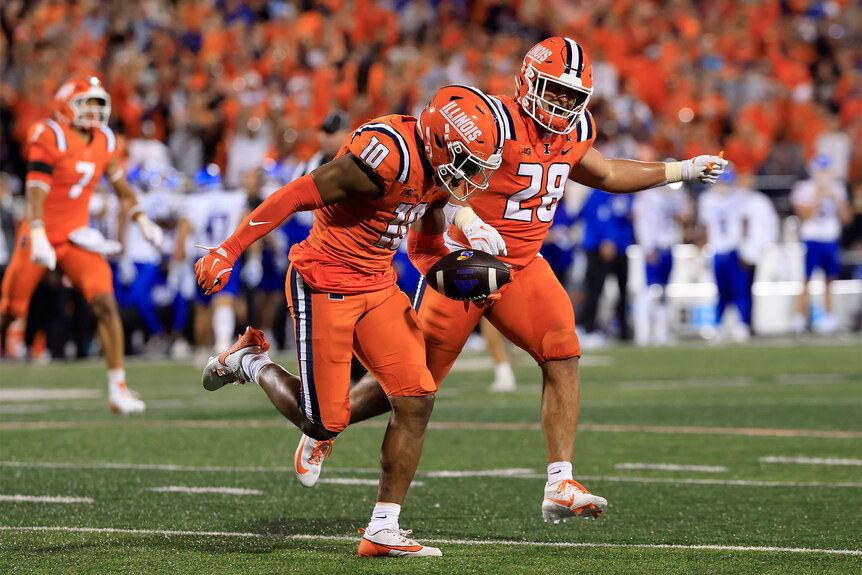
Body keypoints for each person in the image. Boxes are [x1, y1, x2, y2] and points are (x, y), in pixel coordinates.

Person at [298, 37, 727, 524]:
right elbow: (440, 186)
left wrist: (681, 169)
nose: (563, 104)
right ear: (528, 80)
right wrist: (470, 224)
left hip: (523, 264)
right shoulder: (491, 123)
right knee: (413, 387)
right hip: (467, 263)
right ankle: (323, 425)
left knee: (562, 350)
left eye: (572, 95)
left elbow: (604, 173)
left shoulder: (574, 129)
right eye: (555, 90)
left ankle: (560, 481)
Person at [194, 85, 508, 558]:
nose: (472, 175)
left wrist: (461, 269)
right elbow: (293, 196)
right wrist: (229, 249)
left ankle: (383, 528)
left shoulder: (439, 170)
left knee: (417, 396)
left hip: (377, 284)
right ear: (443, 143)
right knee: (324, 422)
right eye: (467, 162)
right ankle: (250, 361)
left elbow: (423, 251)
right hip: (325, 281)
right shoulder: (386, 157)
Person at [0, 76, 163, 414]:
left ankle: (118, 388)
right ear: (66, 106)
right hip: (40, 230)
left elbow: (121, 188)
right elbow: (36, 191)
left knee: (105, 302)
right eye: (86, 103)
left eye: (98, 104)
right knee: (11, 309)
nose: (93, 111)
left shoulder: (105, 140)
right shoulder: (49, 134)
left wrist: (142, 220)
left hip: (75, 236)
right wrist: (38, 230)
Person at [175, 164, 247, 360]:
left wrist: (177, 267)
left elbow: (182, 234)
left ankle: (201, 352)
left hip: (203, 257)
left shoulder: (192, 202)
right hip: (226, 254)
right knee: (224, 300)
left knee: (202, 307)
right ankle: (222, 344)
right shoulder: (234, 199)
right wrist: (254, 257)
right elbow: (247, 224)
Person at [790, 156, 852, 335]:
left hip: (830, 238)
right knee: (806, 279)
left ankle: (828, 317)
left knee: (830, 280)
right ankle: (800, 318)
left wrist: (836, 200)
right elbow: (804, 215)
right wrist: (817, 196)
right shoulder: (804, 188)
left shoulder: (837, 188)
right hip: (811, 238)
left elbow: (847, 218)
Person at [632, 181, 692, 346]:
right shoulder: (648, 197)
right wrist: (647, 246)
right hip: (654, 247)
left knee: (664, 292)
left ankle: (661, 333)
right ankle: (642, 333)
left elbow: (685, 216)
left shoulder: (674, 197)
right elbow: (641, 222)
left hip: (668, 246)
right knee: (650, 291)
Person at [697, 167, 750, 341]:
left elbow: (745, 225)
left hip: (734, 249)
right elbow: (705, 228)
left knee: (739, 290)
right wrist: (701, 250)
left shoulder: (739, 198)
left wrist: (745, 248)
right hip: (717, 251)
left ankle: (741, 324)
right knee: (720, 292)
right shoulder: (707, 200)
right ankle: (719, 324)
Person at [738, 173, 779, 336]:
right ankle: (732, 324)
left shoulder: (760, 201)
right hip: (732, 252)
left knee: (746, 290)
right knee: (733, 290)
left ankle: (746, 323)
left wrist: (762, 247)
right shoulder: (733, 200)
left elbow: (770, 224)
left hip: (752, 253)